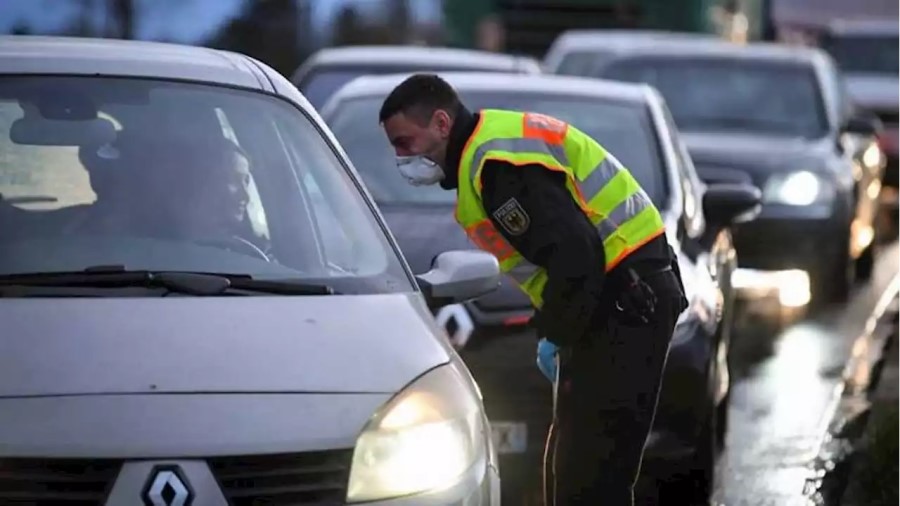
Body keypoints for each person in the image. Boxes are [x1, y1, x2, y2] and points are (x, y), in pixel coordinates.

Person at [377, 74, 688, 506]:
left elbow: (576, 256)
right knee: (580, 469)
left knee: (590, 475)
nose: (401, 157)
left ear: (442, 124)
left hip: (624, 303)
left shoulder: (496, 169)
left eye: (405, 142)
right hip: (618, 299)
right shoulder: (490, 151)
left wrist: (555, 333)